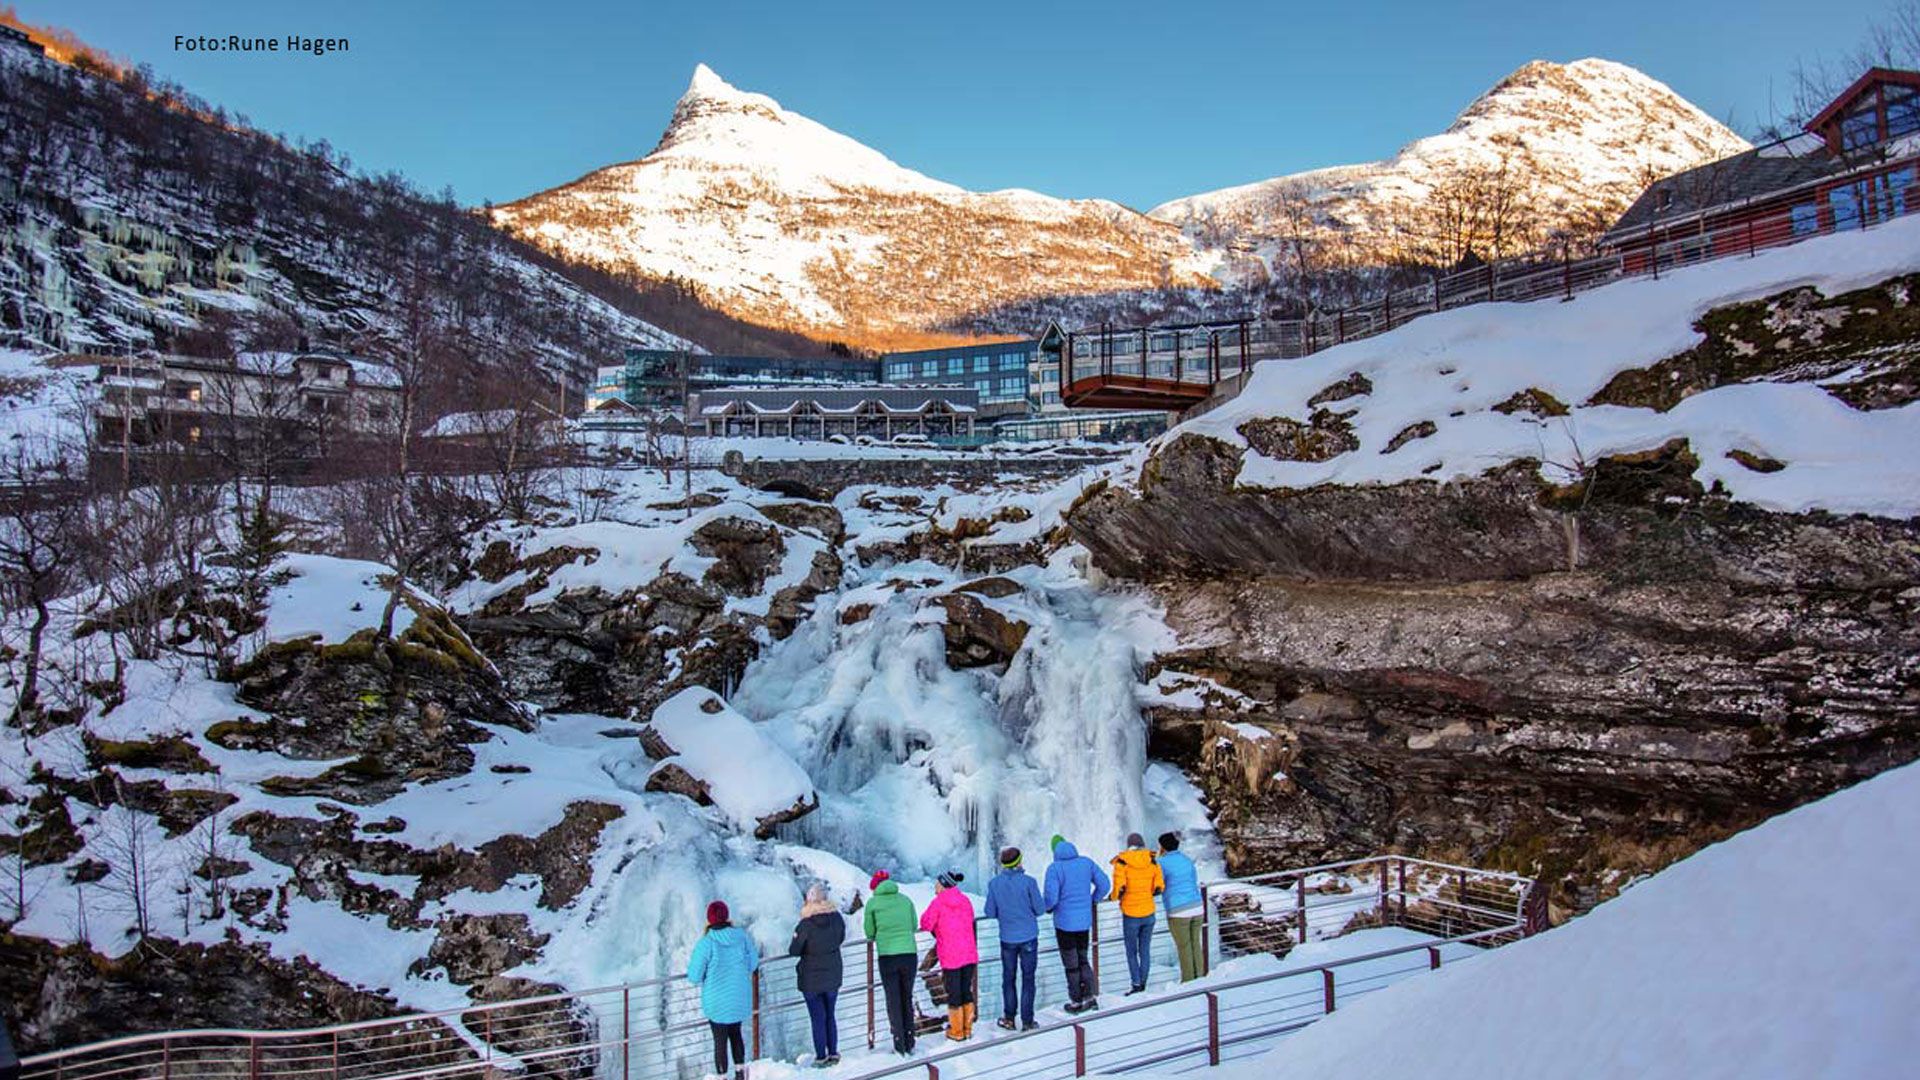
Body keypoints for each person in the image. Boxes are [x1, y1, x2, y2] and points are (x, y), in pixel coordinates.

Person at [687, 900, 760, 1080]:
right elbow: (753, 963)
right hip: (738, 999)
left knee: (720, 1041)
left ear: (709, 919)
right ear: (727, 916)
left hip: (717, 1002)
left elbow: (694, 976)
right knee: (736, 1034)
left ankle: (722, 1077)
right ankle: (740, 1074)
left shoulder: (707, 943)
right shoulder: (741, 936)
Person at [1042, 834, 1110, 1014]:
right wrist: (1093, 900)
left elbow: (1051, 897)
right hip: (1084, 923)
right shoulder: (1086, 863)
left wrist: (1048, 908)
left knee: (1071, 965)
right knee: (1083, 959)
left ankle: (1076, 1001)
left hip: (1064, 925)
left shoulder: (1055, 869)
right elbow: (1104, 884)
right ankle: (1090, 997)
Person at [983, 845, 1045, 1031]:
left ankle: (1009, 1018)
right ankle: (1027, 1021)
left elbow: (989, 912)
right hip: (1028, 937)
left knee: (1008, 978)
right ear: (1019, 862)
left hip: (1007, 939)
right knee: (1028, 979)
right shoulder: (1029, 882)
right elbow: (1040, 909)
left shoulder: (994, 884)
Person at [863, 869, 920, 1056]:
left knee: (893, 999)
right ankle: (910, 1040)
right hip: (909, 954)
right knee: (906, 996)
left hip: (888, 956)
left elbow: (869, 932)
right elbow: (914, 925)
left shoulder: (873, 903)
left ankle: (899, 1043)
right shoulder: (905, 900)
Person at [788, 883, 846, 1066]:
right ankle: (833, 1053)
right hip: (833, 975)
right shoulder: (836, 918)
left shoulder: (805, 924)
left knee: (817, 1018)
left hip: (811, 979)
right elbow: (840, 938)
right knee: (830, 1015)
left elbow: (794, 950)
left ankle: (821, 1056)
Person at [919, 870, 979, 1041]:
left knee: (954, 994)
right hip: (968, 953)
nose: (935, 887)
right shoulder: (965, 900)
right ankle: (967, 1028)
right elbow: (970, 920)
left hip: (951, 955)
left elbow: (926, 923)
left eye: (937, 884)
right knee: (966, 991)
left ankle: (957, 1031)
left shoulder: (938, 903)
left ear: (943, 885)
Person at [1110, 833, 1166, 995]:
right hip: (1149, 913)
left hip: (1131, 914)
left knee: (1131, 951)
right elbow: (1159, 887)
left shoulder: (1122, 862)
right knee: (1145, 950)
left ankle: (1136, 984)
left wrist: (1112, 897)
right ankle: (1143, 982)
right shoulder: (1152, 860)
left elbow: (1119, 889)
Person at [1158, 832, 1204, 982]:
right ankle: (1201, 977)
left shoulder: (1161, 862)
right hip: (1197, 906)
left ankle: (1188, 981)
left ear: (1162, 847)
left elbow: (1159, 884)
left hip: (1179, 909)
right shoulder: (1186, 859)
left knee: (1184, 947)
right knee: (1195, 944)